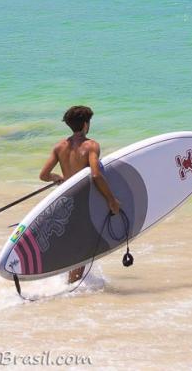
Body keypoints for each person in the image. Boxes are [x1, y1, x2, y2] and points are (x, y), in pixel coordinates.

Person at [39, 105, 121, 284]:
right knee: (83, 245)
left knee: (75, 242)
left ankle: (70, 282)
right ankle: (73, 286)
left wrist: (58, 178)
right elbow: (95, 174)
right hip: (84, 202)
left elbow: (44, 175)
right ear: (86, 124)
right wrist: (111, 200)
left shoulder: (59, 146)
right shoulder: (91, 145)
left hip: (66, 201)